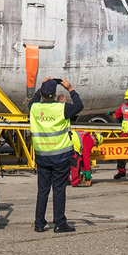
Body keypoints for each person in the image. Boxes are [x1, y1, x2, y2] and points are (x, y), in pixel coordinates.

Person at [29, 78, 83, 233]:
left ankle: (39, 223)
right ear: (54, 94)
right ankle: (59, 223)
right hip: (60, 156)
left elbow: (34, 99)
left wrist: (42, 86)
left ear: (43, 93)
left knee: (43, 190)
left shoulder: (34, 108)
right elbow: (79, 106)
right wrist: (71, 88)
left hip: (42, 156)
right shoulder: (62, 108)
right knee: (59, 190)